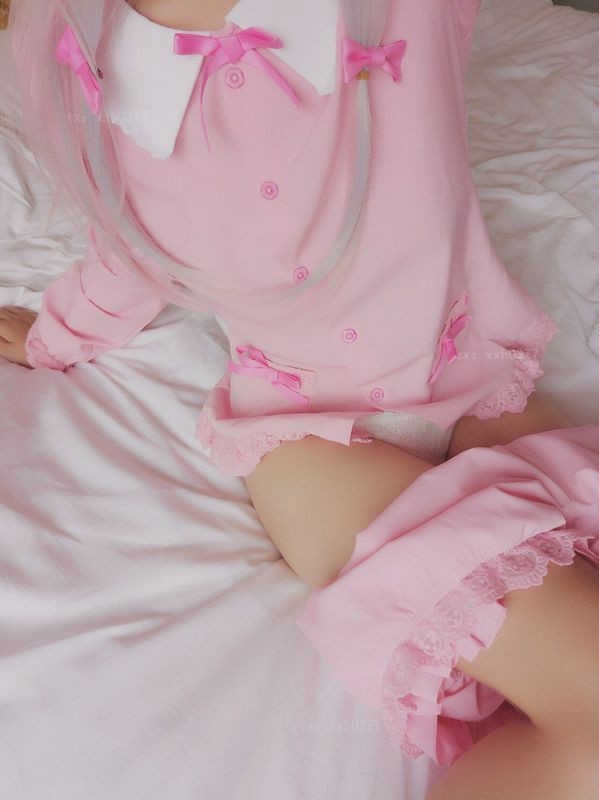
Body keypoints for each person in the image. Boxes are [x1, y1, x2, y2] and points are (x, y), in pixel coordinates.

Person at [2, 1, 599, 796]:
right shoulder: (93, 52)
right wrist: (57, 337)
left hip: (477, 377)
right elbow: (126, 248)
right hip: (309, 436)